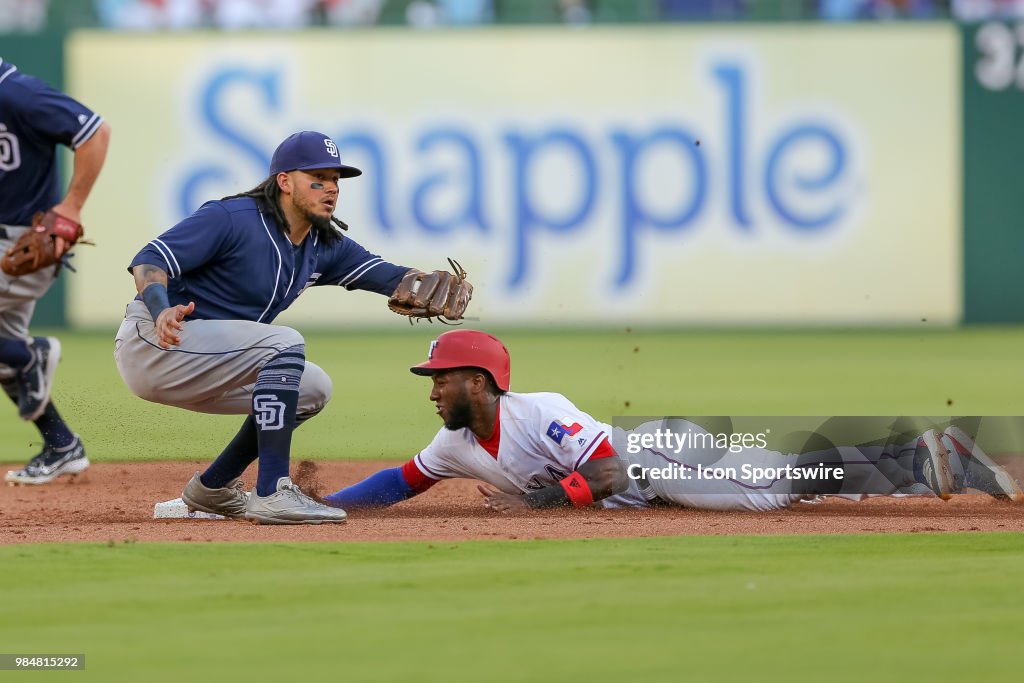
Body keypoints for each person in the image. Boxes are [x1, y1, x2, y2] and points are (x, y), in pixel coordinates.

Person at [115, 130, 471, 524]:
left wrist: (419, 282)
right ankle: (271, 493)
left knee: (311, 387)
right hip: (156, 342)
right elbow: (149, 259)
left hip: (210, 358)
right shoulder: (232, 218)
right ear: (284, 182)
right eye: (317, 179)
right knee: (284, 342)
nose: (330, 189)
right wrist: (161, 308)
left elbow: (386, 275)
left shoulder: (323, 244)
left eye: (335, 180)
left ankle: (213, 488)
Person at [323, 329, 1024, 513]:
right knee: (773, 481)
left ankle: (933, 455)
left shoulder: (539, 411)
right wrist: (327, 503)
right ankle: (919, 458)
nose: (433, 388)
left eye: (441, 376)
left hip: (656, 452)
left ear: (478, 381)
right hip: (653, 471)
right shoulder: (456, 443)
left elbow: (610, 470)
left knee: (769, 486)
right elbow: (396, 480)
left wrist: (536, 501)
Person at [1, 57, 111, 485]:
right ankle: (61, 445)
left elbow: (95, 132)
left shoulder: (17, 92)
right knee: (3, 357)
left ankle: (31, 356)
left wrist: (71, 206)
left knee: (14, 355)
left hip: (23, 245)